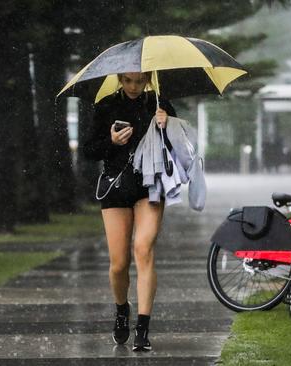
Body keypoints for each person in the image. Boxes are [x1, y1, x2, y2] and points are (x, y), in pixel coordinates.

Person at [82, 72, 176, 352]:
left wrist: (167, 125)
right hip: (115, 186)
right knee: (119, 263)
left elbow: (178, 148)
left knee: (143, 249)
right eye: (128, 81)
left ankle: (143, 328)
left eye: (139, 81)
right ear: (120, 80)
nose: (134, 87)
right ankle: (122, 308)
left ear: (148, 78)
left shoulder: (159, 103)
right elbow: (89, 150)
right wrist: (112, 141)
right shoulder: (106, 106)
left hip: (150, 186)